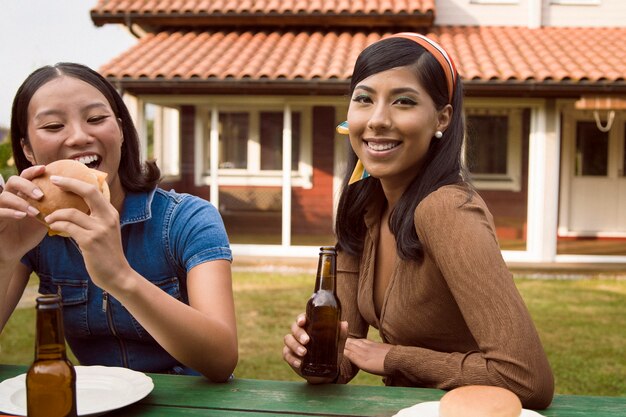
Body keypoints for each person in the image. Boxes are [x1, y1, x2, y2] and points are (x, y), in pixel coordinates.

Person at [283, 33, 554, 409]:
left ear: (441, 117)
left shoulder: (447, 209)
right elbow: (344, 361)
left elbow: (525, 377)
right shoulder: (363, 206)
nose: (377, 120)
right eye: (364, 99)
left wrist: (394, 357)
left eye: (404, 102)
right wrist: (315, 354)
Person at [0, 63, 237, 381]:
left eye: (96, 119)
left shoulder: (188, 218)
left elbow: (222, 359)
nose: (80, 136)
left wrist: (120, 277)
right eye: (54, 126)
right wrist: (4, 256)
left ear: (122, 131)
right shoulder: (31, 227)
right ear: (27, 149)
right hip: (96, 402)